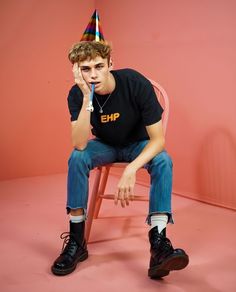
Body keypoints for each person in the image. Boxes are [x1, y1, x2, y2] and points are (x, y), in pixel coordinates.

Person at [51, 41, 189, 278]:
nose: (93, 74)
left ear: (110, 64)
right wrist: (86, 98)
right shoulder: (77, 94)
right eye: (85, 69)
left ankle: (158, 247)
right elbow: (81, 143)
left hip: (139, 144)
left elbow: (158, 141)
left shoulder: (135, 83)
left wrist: (131, 170)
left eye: (99, 66)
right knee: (77, 157)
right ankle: (77, 241)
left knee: (163, 161)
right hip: (105, 146)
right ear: (76, 70)